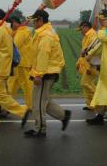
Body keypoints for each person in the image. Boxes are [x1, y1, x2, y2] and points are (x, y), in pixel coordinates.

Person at [24, 9, 71, 138]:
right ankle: (63, 115)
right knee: (42, 100)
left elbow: (43, 55)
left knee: (38, 102)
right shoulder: (43, 33)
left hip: (45, 73)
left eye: (34, 20)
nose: (33, 23)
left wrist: (38, 74)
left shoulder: (45, 35)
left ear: (40, 19)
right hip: (45, 71)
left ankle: (40, 129)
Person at [7, 16, 34, 111]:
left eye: (10, 23)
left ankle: (30, 106)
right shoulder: (23, 31)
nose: (9, 25)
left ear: (14, 22)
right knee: (13, 84)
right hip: (22, 63)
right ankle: (8, 106)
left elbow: (14, 45)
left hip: (21, 63)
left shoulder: (21, 32)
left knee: (25, 85)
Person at [75, 21, 100, 111]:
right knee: (87, 85)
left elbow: (93, 53)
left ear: (85, 27)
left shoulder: (92, 36)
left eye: (81, 29)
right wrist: (78, 63)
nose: (80, 31)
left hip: (92, 65)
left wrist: (90, 67)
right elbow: (83, 52)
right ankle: (91, 105)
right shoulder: (86, 37)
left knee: (85, 83)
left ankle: (99, 101)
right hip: (87, 65)